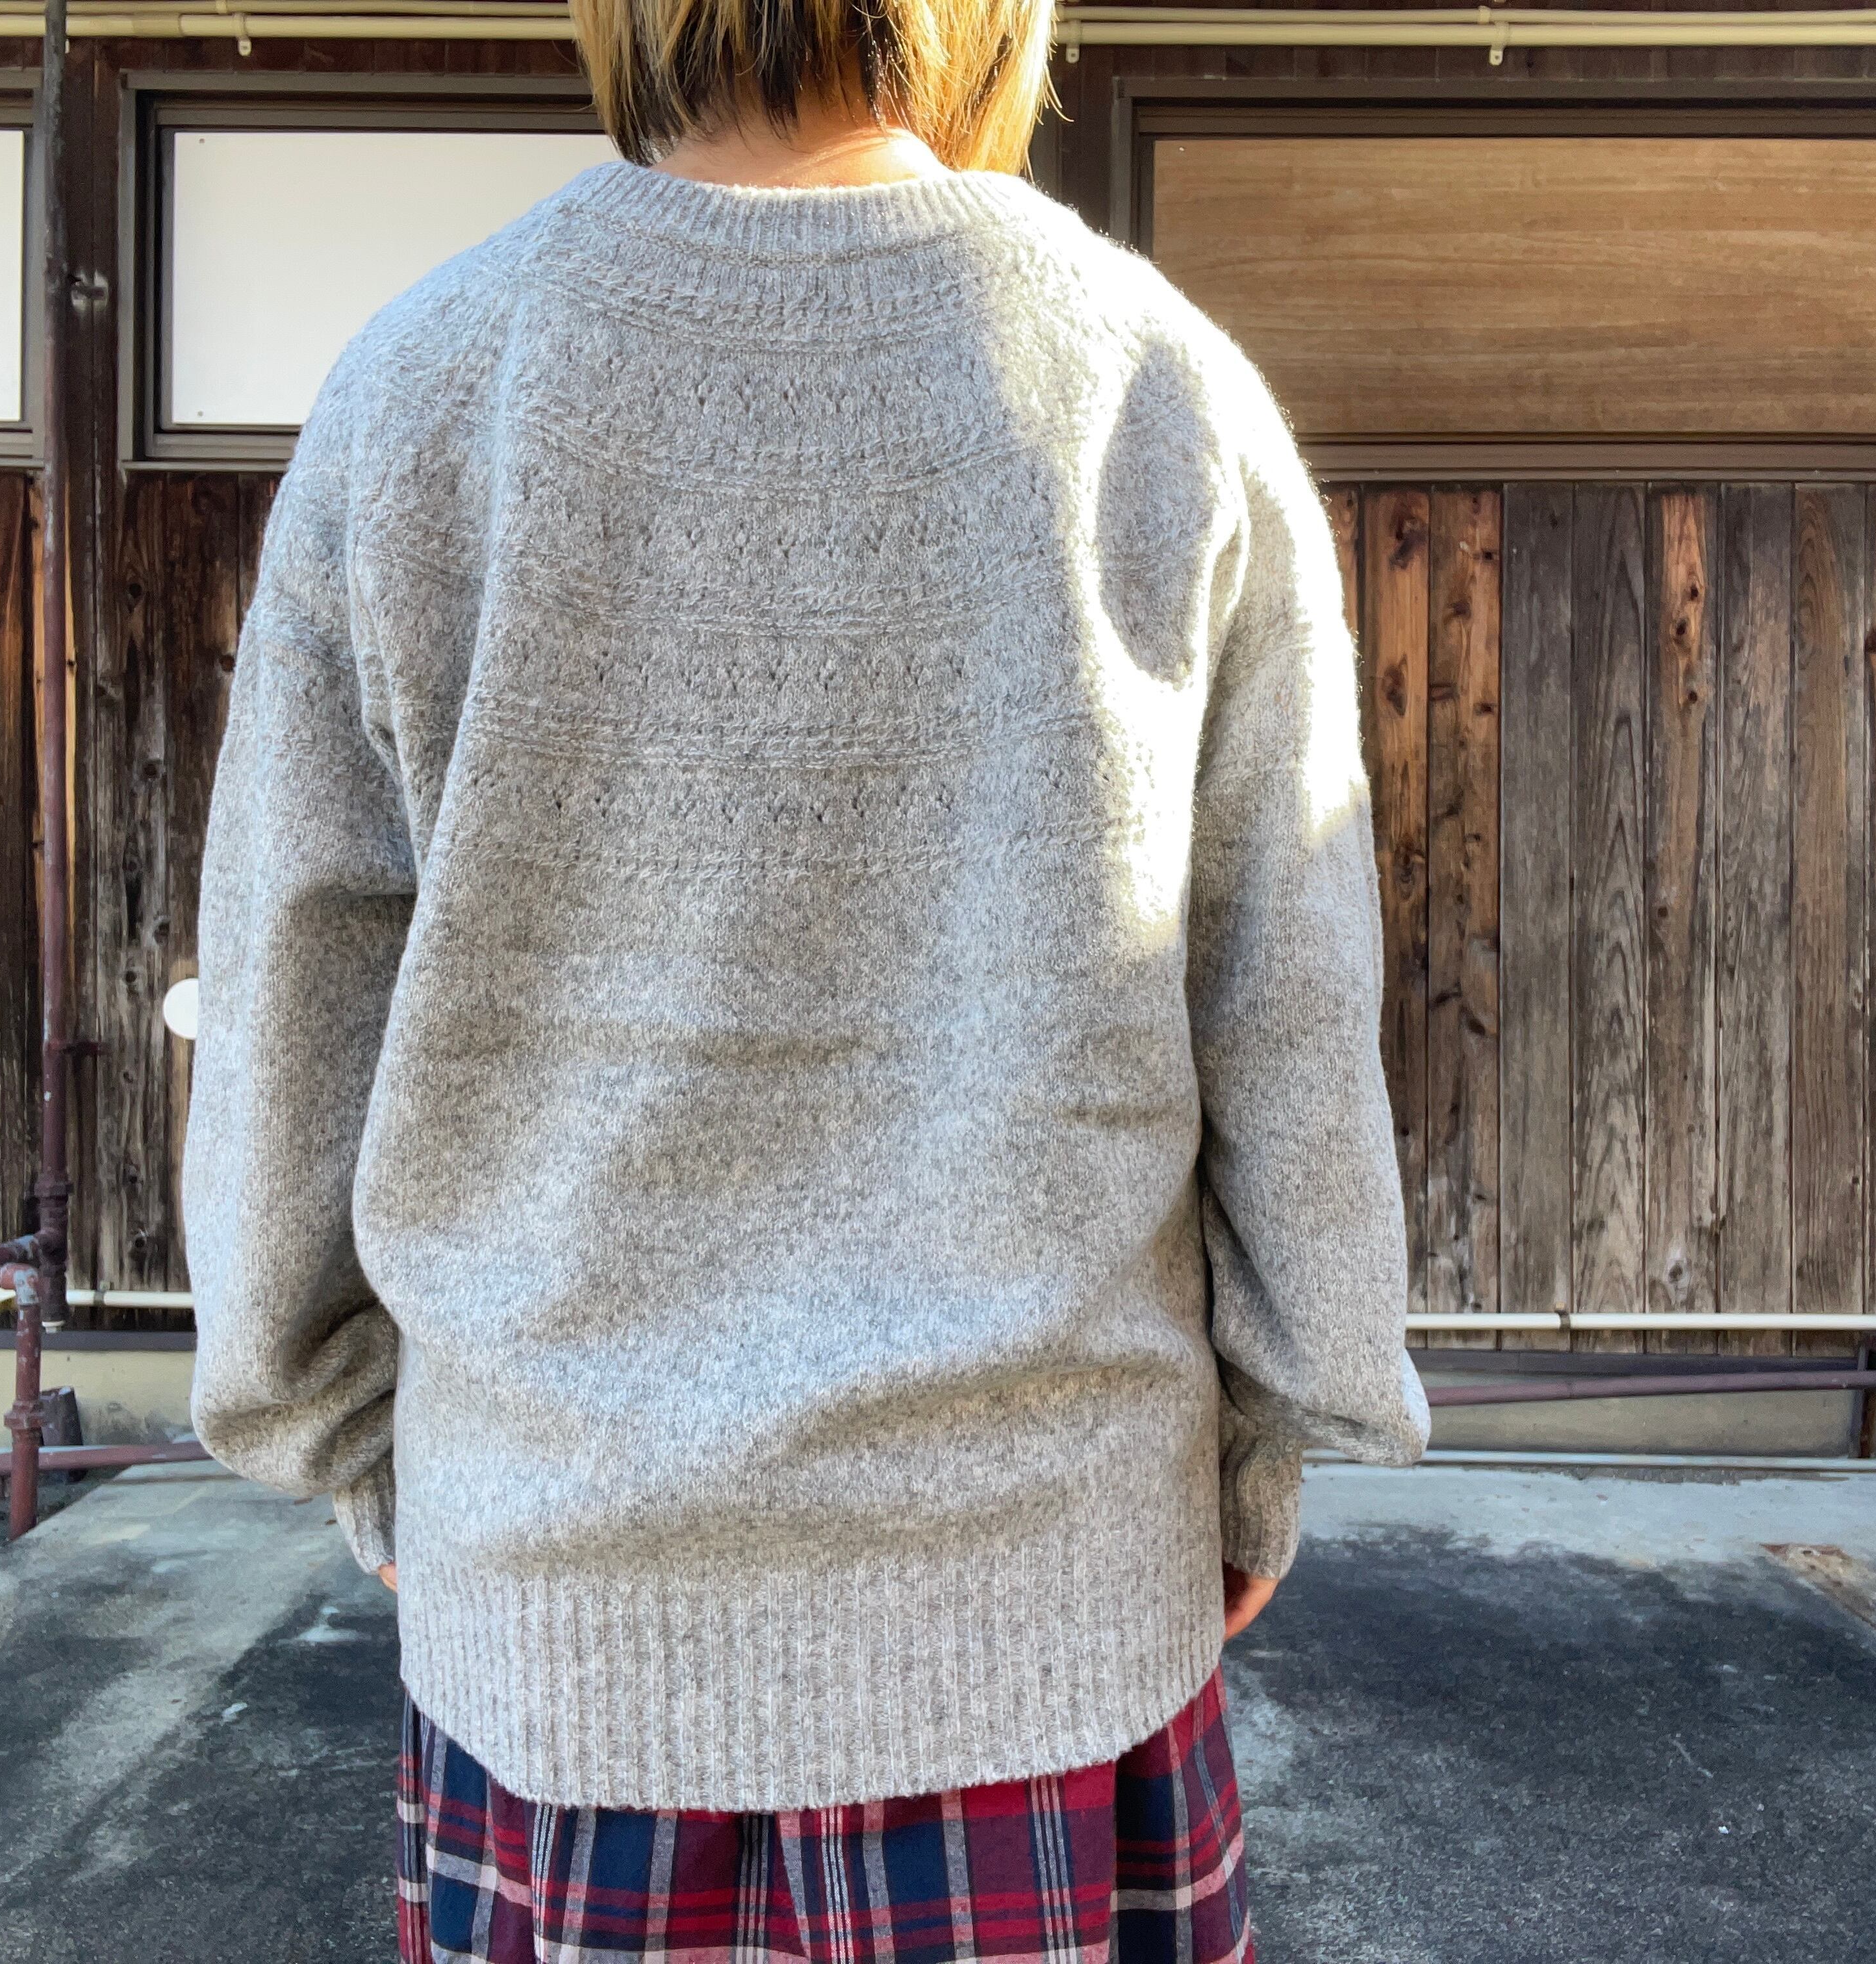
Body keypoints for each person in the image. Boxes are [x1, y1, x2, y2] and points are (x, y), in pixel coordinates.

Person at [180, 0, 1430, 1956]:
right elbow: (1285, 993)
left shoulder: (426, 386)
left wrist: (339, 1427)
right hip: (1047, 1606)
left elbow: (294, 973)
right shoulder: (1155, 383)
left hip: (559, 1599)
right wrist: (1272, 1434)